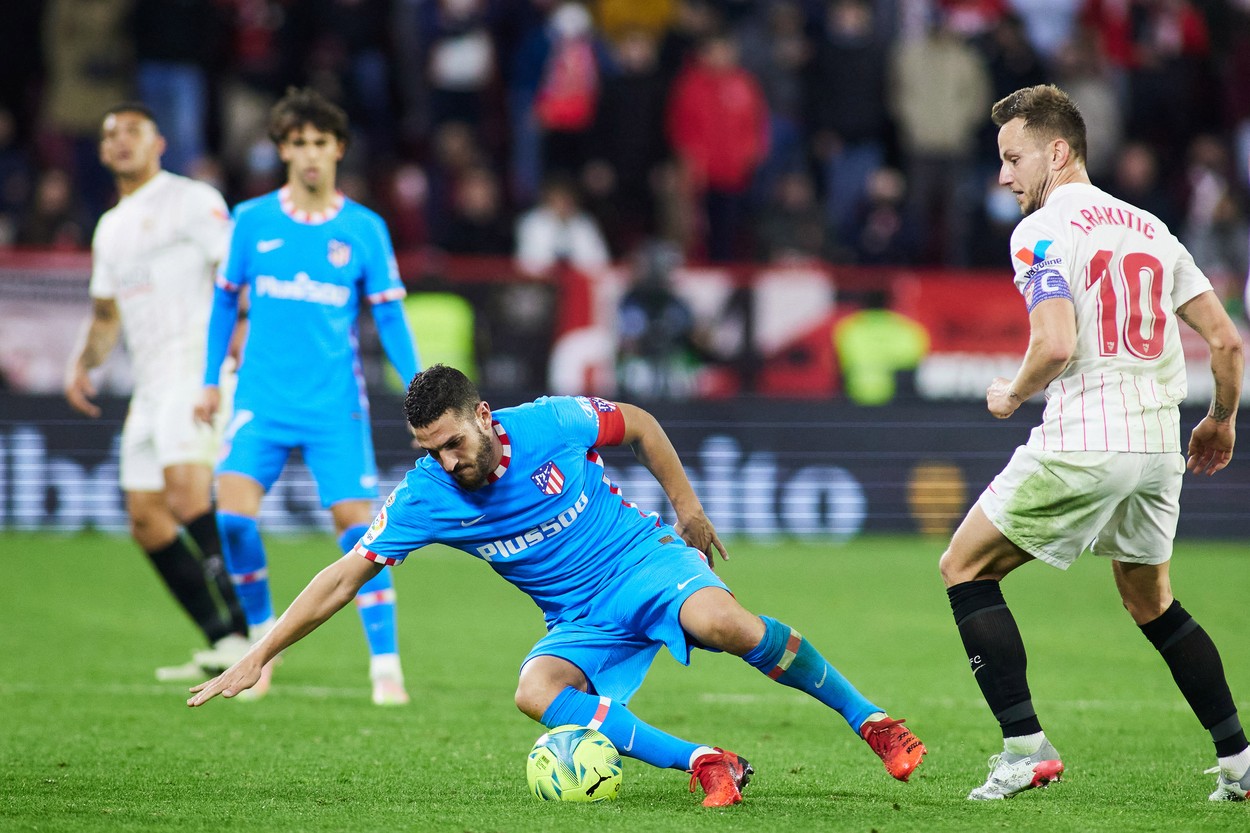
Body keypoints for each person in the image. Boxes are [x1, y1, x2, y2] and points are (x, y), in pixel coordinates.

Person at [189, 364, 928, 807]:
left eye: (453, 442)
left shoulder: (549, 421)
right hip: (576, 612)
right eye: (431, 450)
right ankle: (708, 761)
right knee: (533, 689)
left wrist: (689, 506)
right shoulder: (425, 496)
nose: (447, 461)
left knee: (724, 625)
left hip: (643, 560)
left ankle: (873, 721)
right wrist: (263, 648)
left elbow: (637, 422)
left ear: (483, 416)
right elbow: (344, 574)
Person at [939, 84, 1249, 802]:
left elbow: (1053, 343)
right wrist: (1222, 418)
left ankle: (1025, 750)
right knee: (1152, 601)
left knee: (963, 566)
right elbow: (1227, 341)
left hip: (1087, 434)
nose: (1005, 175)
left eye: (1014, 158)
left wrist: (1011, 393)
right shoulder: (1153, 229)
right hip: (1157, 444)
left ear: (1057, 150)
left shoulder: (1041, 230)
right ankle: (1239, 760)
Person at [195, 87, 420, 707]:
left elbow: (391, 320)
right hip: (261, 400)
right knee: (233, 519)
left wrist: (421, 389)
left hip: (333, 408)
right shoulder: (251, 220)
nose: (310, 154)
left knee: (362, 538)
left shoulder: (365, 229)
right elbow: (222, 303)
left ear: (339, 149)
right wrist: (210, 378)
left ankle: (385, 665)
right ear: (283, 150)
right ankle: (264, 644)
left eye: (321, 142)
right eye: (298, 143)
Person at [65, 102, 250, 679]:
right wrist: (83, 364)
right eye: (110, 134)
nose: (120, 141)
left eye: (132, 132)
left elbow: (235, 266)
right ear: (101, 150)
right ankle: (223, 640)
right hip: (149, 384)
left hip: (195, 366)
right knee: (145, 517)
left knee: (187, 493)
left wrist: (243, 328)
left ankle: (257, 628)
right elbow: (105, 314)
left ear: (158, 142)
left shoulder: (190, 200)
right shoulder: (110, 227)